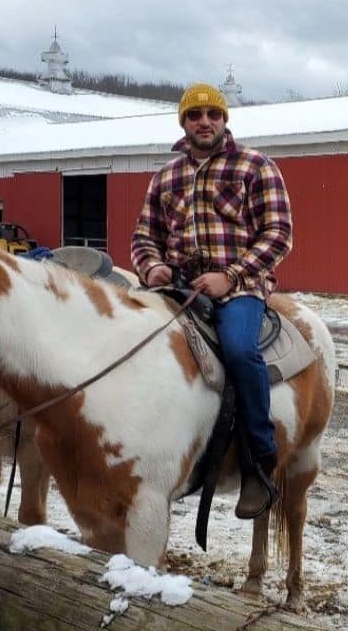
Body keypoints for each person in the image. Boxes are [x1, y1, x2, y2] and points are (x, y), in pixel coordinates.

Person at [132, 83, 293, 519]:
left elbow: (278, 234)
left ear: (225, 120)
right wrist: (151, 268)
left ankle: (259, 461)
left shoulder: (255, 167)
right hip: (177, 286)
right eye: (195, 114)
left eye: (213, 114)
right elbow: (145, 237)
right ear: (183, 123)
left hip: (240, 286)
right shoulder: (166, 177)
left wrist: (231, 276)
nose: (204, 121)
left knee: (240, 350)